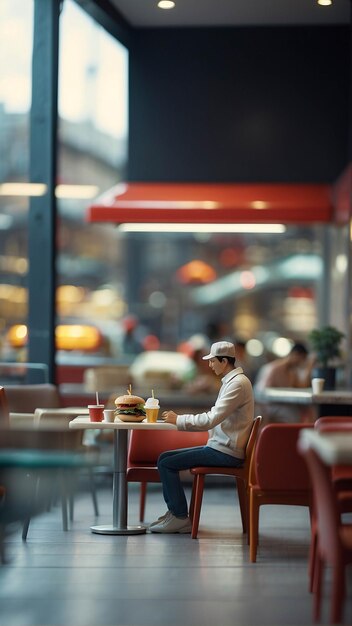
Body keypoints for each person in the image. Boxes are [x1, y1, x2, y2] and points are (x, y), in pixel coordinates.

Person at [149, 341, 254, 534]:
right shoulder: (232, 382)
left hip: (226, 452)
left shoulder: (237, 384)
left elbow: (211, 419)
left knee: (166, 463)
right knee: (164, 458)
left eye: (213, 361)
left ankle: (180, 516)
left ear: (224, 361)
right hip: (221, 447)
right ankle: (175, 512)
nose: (210, 365)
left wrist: (178, 419)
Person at [254, 342, 316, 424]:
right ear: (295, 355)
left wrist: (309, 367)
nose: (301, 363)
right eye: (302, 359)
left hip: (282, 403)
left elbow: (301, 387)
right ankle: (292, 435)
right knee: (292, 413)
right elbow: (262, 392)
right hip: (268, 405)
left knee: (308, 409)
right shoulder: (274, 368)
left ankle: (307, 434)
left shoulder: (292, 371)